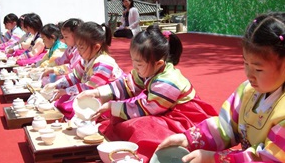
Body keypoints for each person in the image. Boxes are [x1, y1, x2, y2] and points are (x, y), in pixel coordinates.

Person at [157, 12, 285, 163]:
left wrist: (214, 159)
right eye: (245, 63)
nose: (249, 74)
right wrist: (188, 139)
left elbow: (269, 159)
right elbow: (226, 125)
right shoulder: (247, 90)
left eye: (258, 69)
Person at [77, 25, 217, 162]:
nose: (134, 68)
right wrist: (97, 92)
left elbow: (146, 108)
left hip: (185, 117)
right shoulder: (150, 69)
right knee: (122, 117)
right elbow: (127, 84)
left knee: (141, 128)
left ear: (158, 63)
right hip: (161, 107)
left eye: (139, 64)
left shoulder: (168, 82)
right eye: (133, 62)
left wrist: (112, 106)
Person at [43, 21, 124, 120]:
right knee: (65, 98)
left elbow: (90, 88)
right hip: (90, 91)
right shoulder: (86, 59)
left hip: (110, 96)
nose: (79, 51)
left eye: (81, 47)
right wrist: (56, 85)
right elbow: (75, 76)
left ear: (96, 47)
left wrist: (66, 91)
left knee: (77, 105)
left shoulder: (104, 63)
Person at [40, 18, 83, 85]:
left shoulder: (79, 50)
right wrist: (47, 68)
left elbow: (73, 68)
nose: (63, 40)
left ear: (76, 36)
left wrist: (54, 70)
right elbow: (59, 61)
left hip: (76, 78)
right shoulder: (69, 49)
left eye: (66, 37)